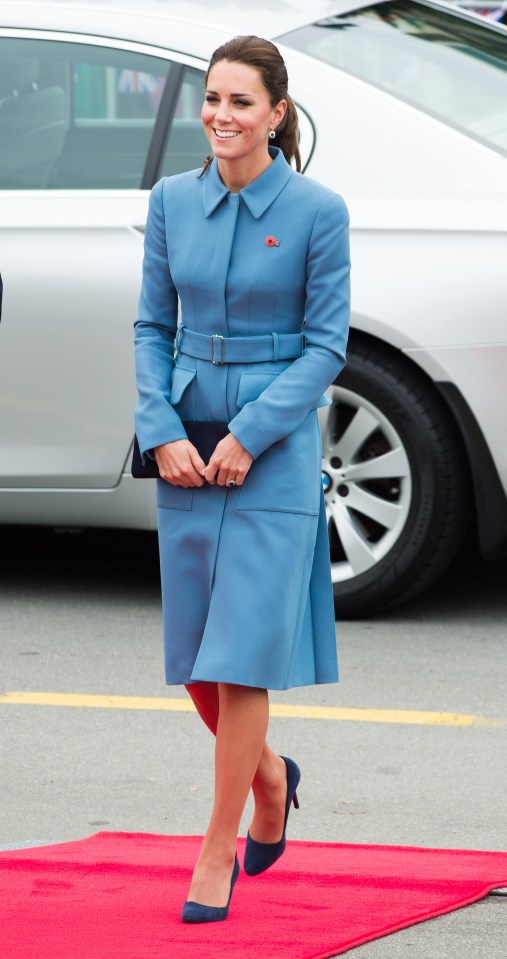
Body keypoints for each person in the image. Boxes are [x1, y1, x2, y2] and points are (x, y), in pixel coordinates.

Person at [134, 35, 350, 924]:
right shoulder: (171, 203)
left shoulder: (315, 209)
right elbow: (151, 324)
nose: (221, 115)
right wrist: (160, 429)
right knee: (194, 659)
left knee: (240, 654)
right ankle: (268, 773)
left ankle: (216, 847)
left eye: (240, 102)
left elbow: (326, 344)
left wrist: (254, 434)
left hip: (274, 453)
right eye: (212, 99)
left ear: (276, 113)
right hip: (185, 438)